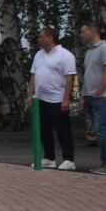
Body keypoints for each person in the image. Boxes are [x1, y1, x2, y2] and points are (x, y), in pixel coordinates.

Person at [27, 27, 78, 171]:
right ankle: (49, 157)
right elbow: (33, 75)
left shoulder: (65, 55)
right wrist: (30, 95)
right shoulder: (39, 55)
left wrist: (66, 99)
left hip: (57, 97)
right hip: (41, 98)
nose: (39, 39)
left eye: (41, 37)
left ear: (50, 37)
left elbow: (70, 78)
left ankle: (69, 159)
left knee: (63, 129)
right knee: (44, 129)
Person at [78, 23, 106, 173]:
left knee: (103, 130)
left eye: (83, 32)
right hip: (90, 94)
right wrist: (83, 96)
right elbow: (88, 75)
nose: (81, 35)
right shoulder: (89, 52)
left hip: (102, 96)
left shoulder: (105, 49)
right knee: (98, 130)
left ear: (92, 32)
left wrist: (99, 91)